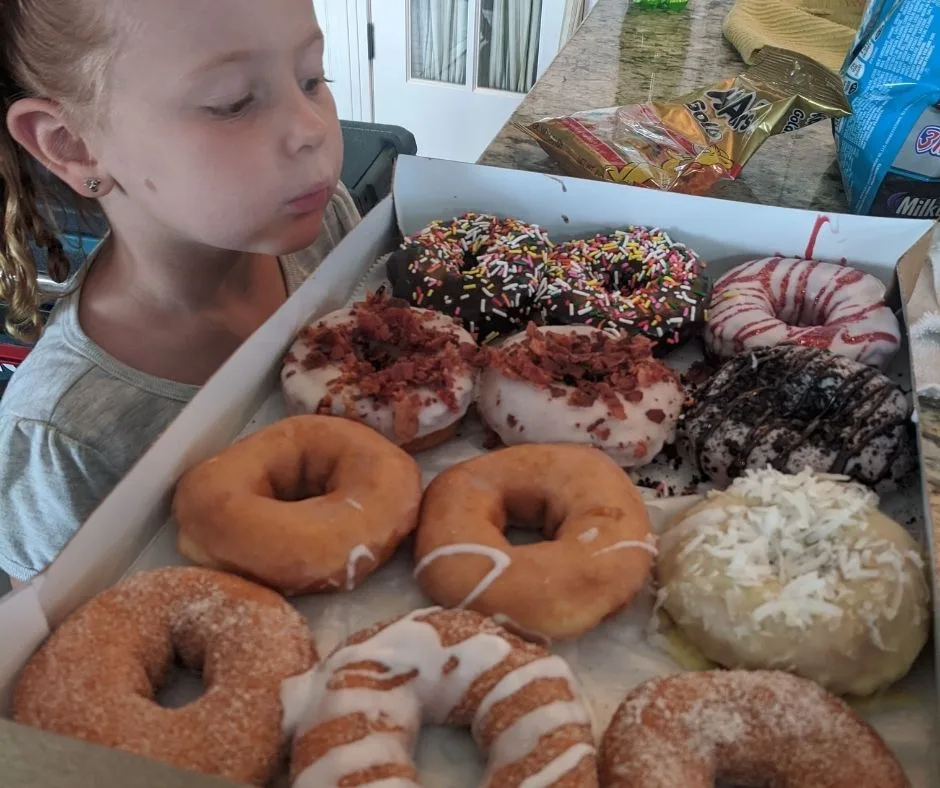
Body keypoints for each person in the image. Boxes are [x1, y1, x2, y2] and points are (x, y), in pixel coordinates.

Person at [0, 0, 360, 585]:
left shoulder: (325, 229)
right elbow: (54, 637)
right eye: (232, 103)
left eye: (312, 78)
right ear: (73, 145)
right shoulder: (63, 436)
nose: (312, 129)